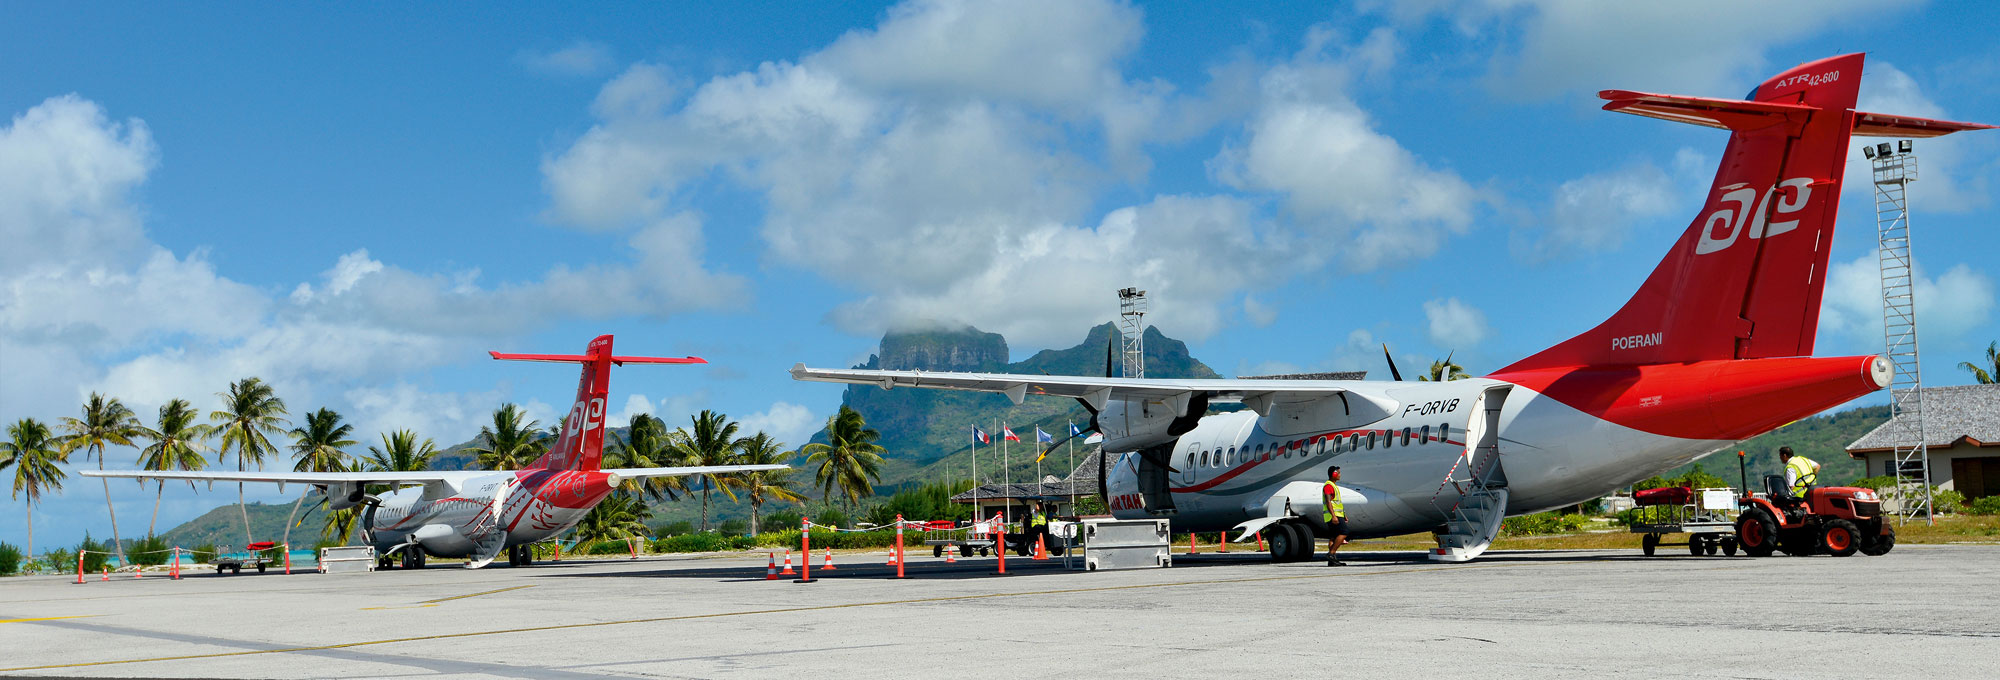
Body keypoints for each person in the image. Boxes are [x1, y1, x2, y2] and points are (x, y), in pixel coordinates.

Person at [1324, 465, 1349, 566]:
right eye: (1338, 473)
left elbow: (1337, 503)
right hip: (1333, 516)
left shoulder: (1333, 485)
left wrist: (1344, 515)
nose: (1340, 475)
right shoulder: (1328, 486)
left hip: (1337, 515)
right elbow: (1328, 502)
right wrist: (1334, 516)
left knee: (1333, 537)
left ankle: (1332, 561)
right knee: (1345, 531)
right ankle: (1331, 553)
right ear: (1333, 474)